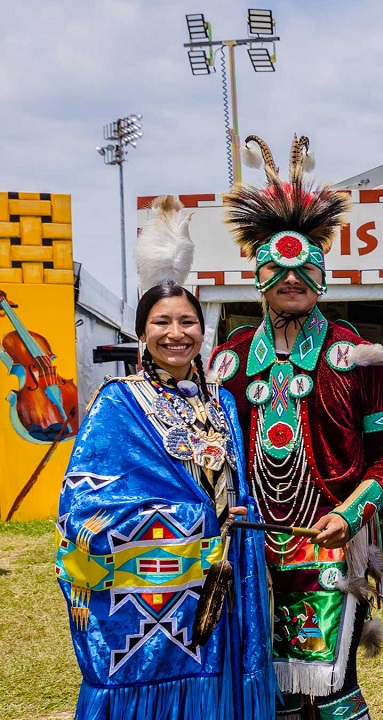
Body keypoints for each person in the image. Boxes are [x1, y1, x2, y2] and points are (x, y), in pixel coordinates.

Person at [55, 197, 274, 718]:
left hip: (222, 578)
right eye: (161, 322)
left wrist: (239, 509)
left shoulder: (219, 399)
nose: (176, 333)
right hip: (155, 588)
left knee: (221, 686)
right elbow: (82, 504)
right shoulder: (119, 400)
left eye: (187, 321)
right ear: (142, 332)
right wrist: (194, 519)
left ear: (203, 331)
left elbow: (229, 480)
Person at [212, 137, 383, 719]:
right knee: (273, 693)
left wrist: (349, 516)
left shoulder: (355, 353)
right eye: (278, 266)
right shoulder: (231, 358)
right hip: (251, 546)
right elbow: (210, 452)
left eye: (304, 268)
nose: (290, 277)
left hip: (332, 540)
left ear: (321, 276)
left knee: (334, 689)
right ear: (258, 276)